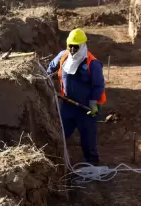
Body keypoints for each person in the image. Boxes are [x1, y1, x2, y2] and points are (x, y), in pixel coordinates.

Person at [47, 28, 106, 165]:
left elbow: (98, 85)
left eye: (76, 46)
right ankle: (58, 162)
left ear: (83, 45)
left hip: (85, 108)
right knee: (61, 134)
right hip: (67, 106)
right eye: (70, 46)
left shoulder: (93, 63)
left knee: (88, 139)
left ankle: (92, 164)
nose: (72, 49)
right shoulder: (63, 56)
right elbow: (50, 69)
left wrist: (93, 103)